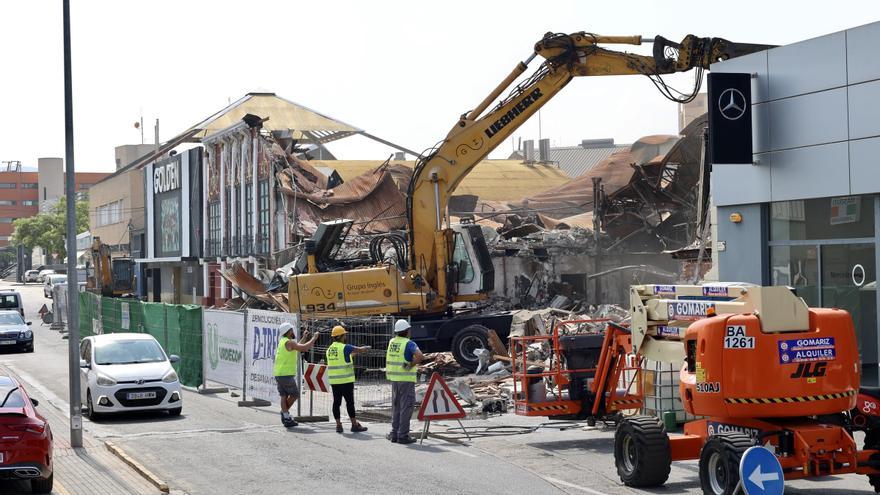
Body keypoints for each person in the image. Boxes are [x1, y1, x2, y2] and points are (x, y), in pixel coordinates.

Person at [326, 325, 370, 434]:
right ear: (341, 336)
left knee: (336, 403)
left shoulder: (330, 349)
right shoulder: (345, 347)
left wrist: (357, 352)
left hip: (334, 382)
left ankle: (338, 425)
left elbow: (345, 357)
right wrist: (365, 348)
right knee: (350, 403)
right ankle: (354, 424)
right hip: (346, 381)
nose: (346, 336)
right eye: (344, 335)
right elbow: (358, 349)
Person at [386, 319, 424, 444]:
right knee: (406, 407)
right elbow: (420, 356)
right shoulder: (409, 343)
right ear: (407, 331)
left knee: (396, 407)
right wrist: (411, 365)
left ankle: (394, 433)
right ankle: (403, 435)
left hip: (394, 379)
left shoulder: (392, 342)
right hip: (406, 379)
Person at [274, 321, 318, 427]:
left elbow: (298, 346)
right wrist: (314, 338)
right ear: (289, 332)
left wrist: (304, 337)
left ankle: (285, 415)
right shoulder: (290, 342)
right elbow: (304, 348)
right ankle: (285, 414)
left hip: (279, 373)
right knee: (294, 394)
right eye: (292, 330)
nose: (293, 331)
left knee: (284, 395)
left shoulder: (284, 341)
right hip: (286, 374)